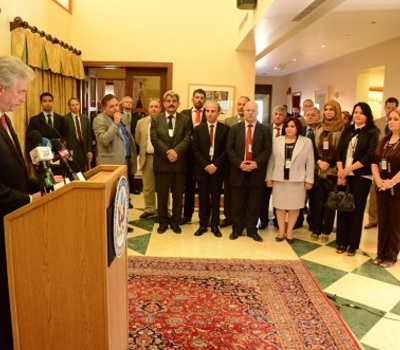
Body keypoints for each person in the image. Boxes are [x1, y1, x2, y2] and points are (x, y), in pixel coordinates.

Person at [0, 56, 42, 350]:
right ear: (1, 88)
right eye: (20, 92)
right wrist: (28, 199)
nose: (22, 99)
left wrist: (49, 187)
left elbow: (16, 171)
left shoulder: (6, 121)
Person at [335, 102, 379, 256]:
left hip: (361, 176)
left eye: (361, 112)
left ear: (367, 115)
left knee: (356, 210)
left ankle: (352, 245)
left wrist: (348, 170)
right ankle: (341, 242)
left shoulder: (372, 132)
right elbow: (339, 151)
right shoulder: (348, 129)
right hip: (343, 175)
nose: (357, 115)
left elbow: (369, 155)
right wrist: (341, 172)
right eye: (355, 112)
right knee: (342, 207)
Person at [226, 101, 272, 242]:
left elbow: (267, 150)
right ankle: (237, 229)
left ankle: (252, 229)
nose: (250, 112)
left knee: (254, 203)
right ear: (243, 112)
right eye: (247, 110)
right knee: (237, 203)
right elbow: (230, 149)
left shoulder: (264, 130)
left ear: (258, 112)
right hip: (238, 171)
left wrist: (256, 163)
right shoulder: (234, 129)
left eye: (253, 110)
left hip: (256, 172)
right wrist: (240, 164)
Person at [266, 117, 314, 243]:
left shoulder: (306, 142)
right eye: (287, 126)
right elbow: (271, 160)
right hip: (279, 179)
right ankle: (281, 230)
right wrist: (268, 177)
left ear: (297, 128)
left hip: (297, 180)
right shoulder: (277, 141)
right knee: (279, 206)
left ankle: (290, 231)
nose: (289, 129)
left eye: (292, 126)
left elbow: (310, 162)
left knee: (295, 207)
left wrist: (309, 180)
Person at [150, 90, 192, 234]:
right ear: (164, 103)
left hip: (179, 164)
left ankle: (175, 221)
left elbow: (187, 138)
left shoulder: (185, 119)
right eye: (168, 101)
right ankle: (163, 221)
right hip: (162, 163)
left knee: (178, 195)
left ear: (178, 104)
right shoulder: (156, 119)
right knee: (162, 195)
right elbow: (154, 139)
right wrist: (168, 152)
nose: (171, 103)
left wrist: (176, 152)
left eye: (174, 101)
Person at [92, 94, 137, 215]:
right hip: (110, 164)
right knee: (112, 198)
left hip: (125, 161)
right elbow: (104, 140)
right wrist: (116, 124)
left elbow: (126, 138)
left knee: (123, 194)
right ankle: (111, 228)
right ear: (104, 108)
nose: (116, 108)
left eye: (117, 105)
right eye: (111, 106)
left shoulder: (122, 117)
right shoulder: (99, 120)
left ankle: (122, 226)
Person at [192, 101, 230, 237]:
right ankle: (203, 224)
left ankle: (215, 224)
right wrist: (206, 165)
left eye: (213, 111)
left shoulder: (225, 129)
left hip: (218, 170)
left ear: (218, 113)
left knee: (215, 198)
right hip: (202, 170)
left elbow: (226, 150)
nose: (209, 113)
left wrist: (215, 165)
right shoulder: (198, 129)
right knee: (203, 198)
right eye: (207, 111)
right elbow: (195, 150)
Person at [311, 100, 344, 243]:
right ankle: (316, 228)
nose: (329, 112)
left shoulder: (342, 128)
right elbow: (313, 148)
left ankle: (326, 230)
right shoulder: (318, 127)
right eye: (326, 109)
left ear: (337, 111)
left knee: (330, 203)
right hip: (319, 170)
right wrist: (319, 162)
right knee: (318, 202)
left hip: (334, 171)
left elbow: (341, 149)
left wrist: (329, 163)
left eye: (332, 109)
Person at [371, 107, 400, 268]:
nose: (392, 122)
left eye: (396, 119)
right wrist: (378, 179)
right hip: (381, 186)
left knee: (395, 222)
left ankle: (391, 255)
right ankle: (380, 253)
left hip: (397, 188)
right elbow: (375, 162)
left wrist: (392, 182)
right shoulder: (384, 140)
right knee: (383, 221)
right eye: (390, 119)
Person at [365, 97, 399, 229]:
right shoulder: (377, 123)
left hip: (395, 168)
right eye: (388, 107)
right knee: (375, 194)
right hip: (379, 162)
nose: (389, 110)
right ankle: (374, 219)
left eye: (392, 108)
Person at [221, 96, 250, 228]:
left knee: (244, 193)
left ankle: (243, 217)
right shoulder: (228, 121)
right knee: (229, 192)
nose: (241, 106)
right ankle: (229, 217)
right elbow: (226, 143)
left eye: (244, 104)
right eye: (239, 104)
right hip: (231, 163)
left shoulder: (254, 122)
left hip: (248, 164)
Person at [179, 89, 207, 225]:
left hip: (203, 157)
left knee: (203, 189)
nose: (199, 100)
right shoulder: (184, 114)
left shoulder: (208, 114)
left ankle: (204, 218)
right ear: (192, 99)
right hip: (187, 157)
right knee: (188, 188)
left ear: (205, 100)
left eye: (202, 98)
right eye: (197, 97)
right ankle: (187, 215)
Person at [259, 105, 287, 229]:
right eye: (276, 114)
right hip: (265, 167)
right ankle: (263, 220)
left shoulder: (289, 129)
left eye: (281, 114)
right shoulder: (265, 129)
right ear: (272, 115)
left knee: (280, 196)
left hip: (282, 168)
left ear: (285, 117)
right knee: (264, 197)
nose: (278, 116)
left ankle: (277, 220)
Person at [135, 98, 161, 219]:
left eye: (156, 106)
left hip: (162, 159)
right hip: (147, 158)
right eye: (151, 106)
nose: (154, 108)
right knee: (148, 186)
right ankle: (149, 209)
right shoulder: (141, 122)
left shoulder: (165, 121)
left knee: (163, 186)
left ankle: (163, 210)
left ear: (160, 109)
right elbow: (137, 139)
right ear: (148, 109)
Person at [302, 106, 321, 231]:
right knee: (300, 197)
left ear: (319, 117)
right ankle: (297, 220)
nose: (310, 117)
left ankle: (314, 222)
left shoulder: (323, 131)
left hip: (317, 169)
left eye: (313, 115)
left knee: (315, 199)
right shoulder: (301, 130)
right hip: (300, 169)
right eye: (307, 114)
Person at [64, 97, 93, 173]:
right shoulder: (65, 119)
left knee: (83, 172)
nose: (75, 106)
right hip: (71, 151)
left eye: (77, 104)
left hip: (83, 150)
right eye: (73, 105)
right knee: (73, 173)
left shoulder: (85, 118)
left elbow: (89, 136)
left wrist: (89, 150)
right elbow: (64, 135)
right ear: (69, 107)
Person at [120, 95, 141, 195]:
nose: (129, 104)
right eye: (127, 102)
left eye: (131, 102)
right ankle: (124, 188)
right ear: (122, 104)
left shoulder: (137, 117)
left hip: (134, 146)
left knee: (132, 167)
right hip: (122, 146)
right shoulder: (118, 116)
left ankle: (132, 188)